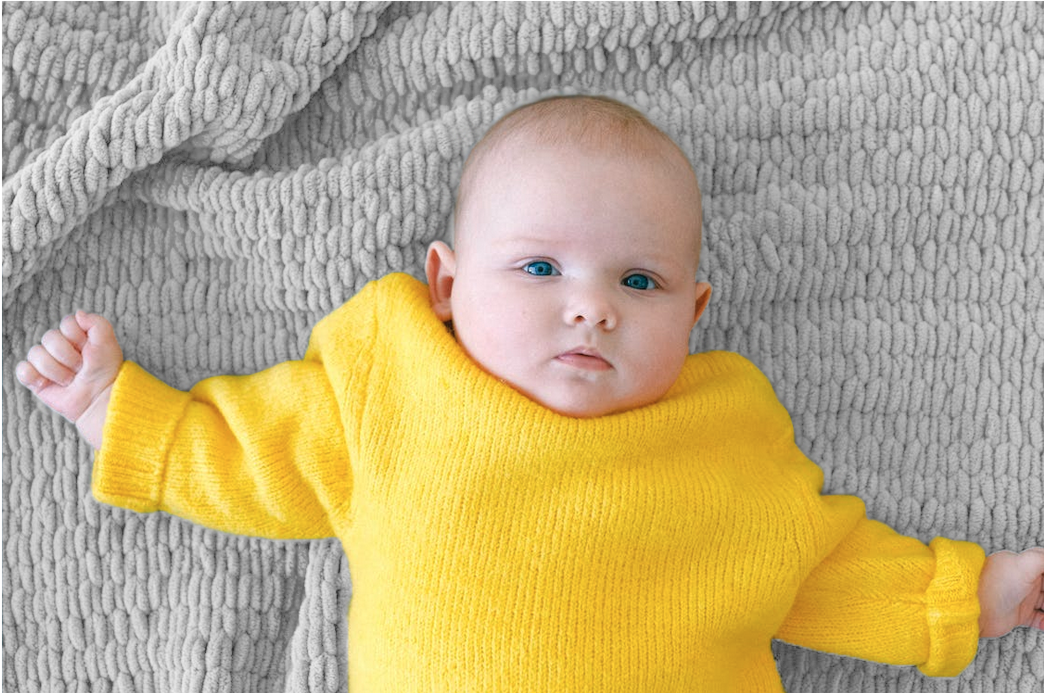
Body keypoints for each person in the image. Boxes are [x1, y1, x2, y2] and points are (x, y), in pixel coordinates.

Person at [16, 95, 1044, 691]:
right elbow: (247, 457)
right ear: (447, 287)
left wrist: (974, 594)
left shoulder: (728, 443)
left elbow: (823, 571)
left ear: (694, 317)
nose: (590, 307)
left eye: (638, 282)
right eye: (540, 270)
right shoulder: (395, 389)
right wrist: (120, 412)